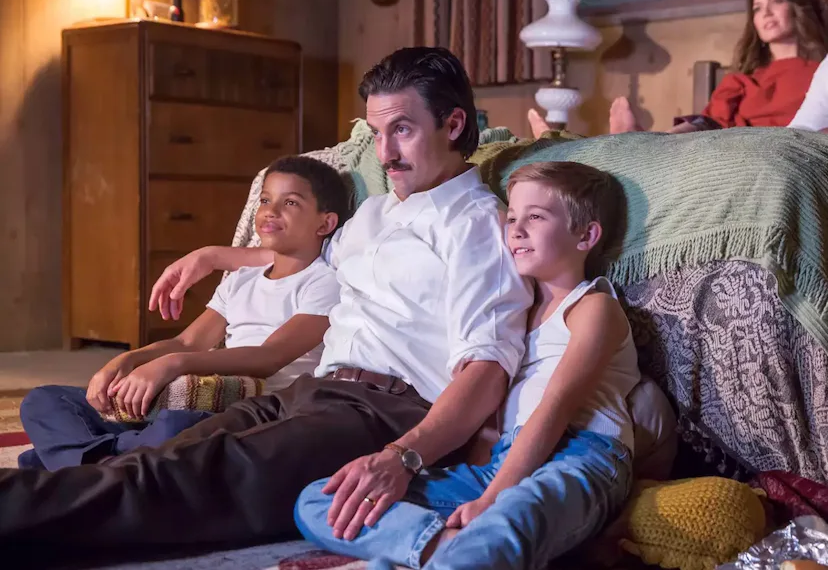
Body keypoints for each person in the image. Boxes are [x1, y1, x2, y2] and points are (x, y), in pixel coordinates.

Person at [0, 47, 532, 562]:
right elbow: (303, 251)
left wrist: (404, 456)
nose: (386, 153)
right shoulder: (378, 213)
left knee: (180, 481)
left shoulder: (477, 225)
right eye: (376, 134)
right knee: (152, 459)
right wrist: (212, 256)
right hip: (312, 391)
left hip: (384, 415)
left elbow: (485, 369)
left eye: (403, 130)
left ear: (454, 124)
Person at [294, 161, 638, 570]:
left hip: (580, 457)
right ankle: (442, 548)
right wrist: (484, 487)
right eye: (512, 217)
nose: (516, 230)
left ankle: (468, 549)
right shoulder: (515, 315)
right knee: (323, 498)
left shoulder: (594, 307)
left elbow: (555, 408)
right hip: (504, 462)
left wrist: (493, 499)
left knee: (509, 520)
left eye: (536, 217)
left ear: (586, 235)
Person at [17, 156, 347, 471]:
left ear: (325, 223)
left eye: (290, 203)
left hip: (247, 410)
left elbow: (268, 357)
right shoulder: (241, 280)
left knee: (177, 425)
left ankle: (76, 461)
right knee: (46, 401)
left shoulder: (325, 283)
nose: (270, 211)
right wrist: (128, 361)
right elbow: (189, 342)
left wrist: (171, 364)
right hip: (194, 396)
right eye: (264, 200)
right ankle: (110, 466)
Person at [528, 0, 828, 138]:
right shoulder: (742, 82)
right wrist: (668, 138)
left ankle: (631, 145)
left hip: (782, 148)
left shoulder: (821, 74)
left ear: (799, 8)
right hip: (725, 144)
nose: (766, 13)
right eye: (758, 7)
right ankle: (642, 142)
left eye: (776, 2)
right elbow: (710, 121)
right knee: (696, 129)